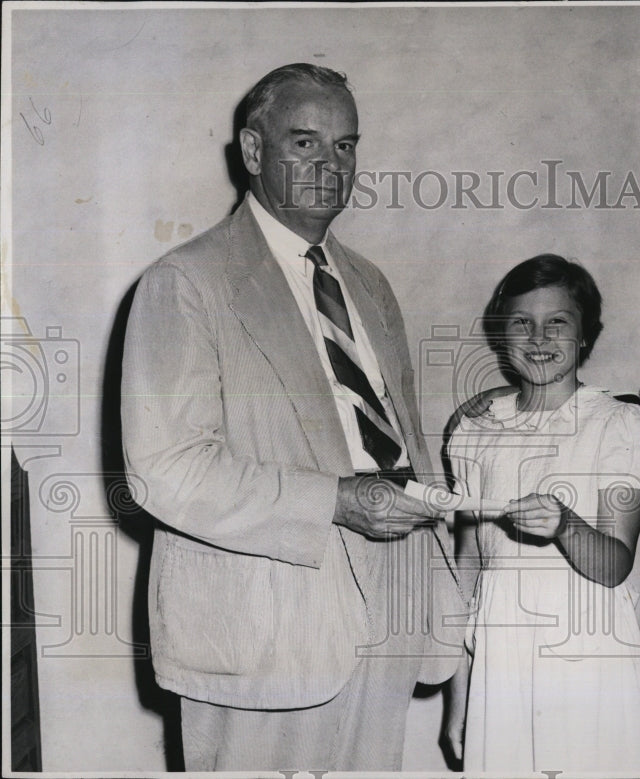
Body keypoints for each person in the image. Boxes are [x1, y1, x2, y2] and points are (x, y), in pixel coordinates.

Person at [121, 63, 463, 771]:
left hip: (390, 610)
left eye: (345, 146)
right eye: (304, 142)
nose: (329, 165)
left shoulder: (368, 282)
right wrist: (335, 501)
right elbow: (165, 470)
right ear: (252, 151)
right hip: (263, 631)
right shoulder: (184, 282)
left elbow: (400, 438)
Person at [443, 255, 640, 773]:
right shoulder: (474, 430)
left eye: (558, 322)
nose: (539, 337)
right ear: (502, 334)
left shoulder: (618, 424)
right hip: (501, 657)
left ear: (586, 335)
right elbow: (466, 575)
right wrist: (458, 697)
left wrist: (566, 525)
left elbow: (614, 566)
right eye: (522, 322)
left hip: (589, 650)